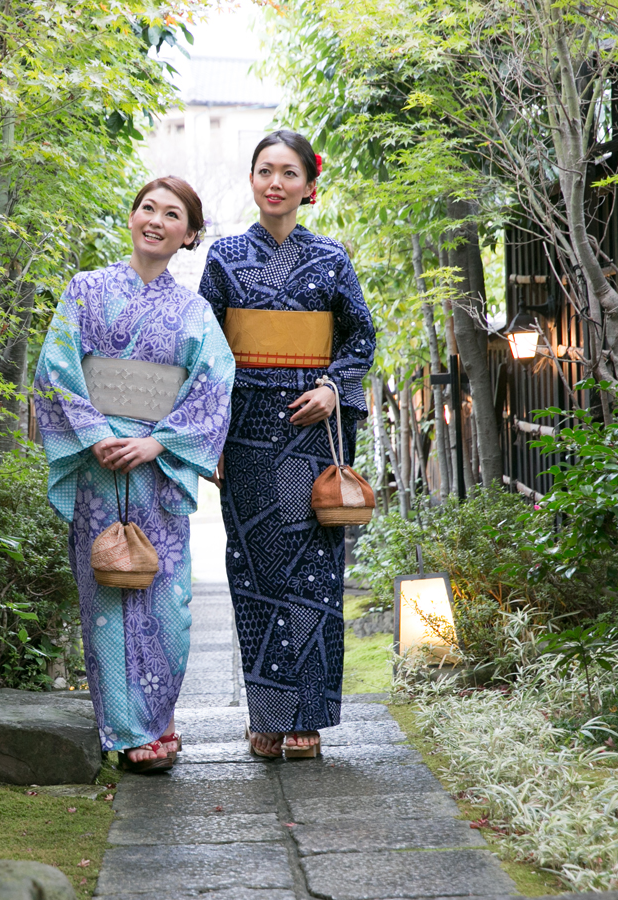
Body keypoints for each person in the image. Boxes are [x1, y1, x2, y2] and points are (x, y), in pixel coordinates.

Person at [34, 177, 235, 772]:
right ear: (131, 217)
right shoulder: (86, 290)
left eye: (172, 215)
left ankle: (162, 718)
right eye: (147, 208)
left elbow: (214, 386)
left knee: (166, 602)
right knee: (107, 595)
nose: (156, 220)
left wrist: (155, 443)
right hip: (100, 467)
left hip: (156, 469)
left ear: (189, 235)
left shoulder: (195, 312)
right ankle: (127, 732)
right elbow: (56, 367)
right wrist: (97, 437)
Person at [198, 130, 375, 760]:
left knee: (314, 574)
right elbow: (205, 352)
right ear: (252, 181)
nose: (276, 183)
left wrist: (333, 387)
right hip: (244, 432)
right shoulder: (223, 259)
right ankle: (266, 716)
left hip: (309, 434)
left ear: (308, 185)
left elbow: (361, 336)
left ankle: (309, 717)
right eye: (265, 171)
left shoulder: (330, 259)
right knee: (253, 571)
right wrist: (207, 435)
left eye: (289, 172)